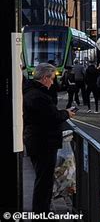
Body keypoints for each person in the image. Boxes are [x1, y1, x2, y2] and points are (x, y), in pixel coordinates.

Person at [23, 63, 76, 213]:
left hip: (37, 140)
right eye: (52, 79)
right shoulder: (38, 96)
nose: (53, 82)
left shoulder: (31, 92)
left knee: (43, 179)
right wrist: (66, 113)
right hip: (43, 142)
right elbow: (51, 116)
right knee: (44, 180)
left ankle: (42, 210)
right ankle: (41, 212)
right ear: (45, 78)